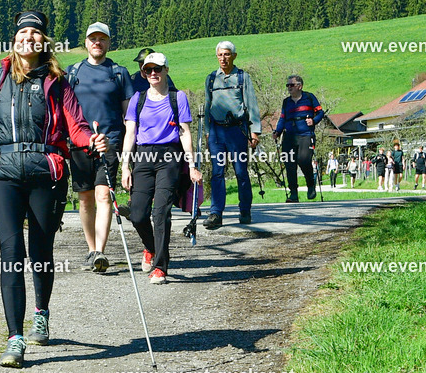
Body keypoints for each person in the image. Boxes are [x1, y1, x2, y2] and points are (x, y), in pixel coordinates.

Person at [0, 10, 104, 368]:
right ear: (14, 40)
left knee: (41, 249)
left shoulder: (57, 82)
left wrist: (91, 140)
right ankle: (15, 338)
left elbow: (75, 128)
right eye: (23, 32)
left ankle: (41, 312)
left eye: (36, 33)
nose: (29, 37)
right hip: (4, 174)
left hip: (46, 172)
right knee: (11, 252)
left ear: (44, 41)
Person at [120, 52, 202, 284]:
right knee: (137, 214)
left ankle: (160, 267)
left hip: (170, 156)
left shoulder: (179, 97)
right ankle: (150, 247)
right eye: (148, 70)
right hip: (143, 157)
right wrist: (125, 166)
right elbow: (130, 133)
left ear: (166, 70)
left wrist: (192, 165)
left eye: (158, 69)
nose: (153, 74)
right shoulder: (138, 98)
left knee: (161, 213)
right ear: (144, 73)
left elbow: (185, 132)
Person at [65, 22, 133, 273]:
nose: (97, 42)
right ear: (86, 43)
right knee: (85, 199)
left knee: (103, 195)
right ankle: (91, 248)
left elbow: (128, 115)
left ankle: (100, 252)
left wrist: (128, 149)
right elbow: (66, 112)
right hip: (79, 144)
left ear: (108, 43)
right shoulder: (73, 73)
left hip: (110, 142)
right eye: (92, 38)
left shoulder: (119, 72)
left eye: (102, 38)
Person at [203, 41, 261, 228]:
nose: (223, 58)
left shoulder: (243, 77)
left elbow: (251, 104)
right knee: (217, 173)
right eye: (220, 55)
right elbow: (207, 106)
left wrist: (255, 132)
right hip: (216, 132)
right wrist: (206, 131)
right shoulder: (211, 78)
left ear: (234, 56)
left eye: (227, 54)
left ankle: (245, 210)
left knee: (241, 172)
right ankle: (215, 213)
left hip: (237, 130)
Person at [273, 74, 324, 202]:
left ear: (299, 86)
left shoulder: (309, 97)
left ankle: (310, 184)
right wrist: (277, 131)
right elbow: (283, 118)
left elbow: (320, 112)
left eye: (291, 85)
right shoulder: (286, 102)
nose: (289, 87)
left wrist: (314, 120)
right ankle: (293, 193)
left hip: (306, 134)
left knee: (304, 160)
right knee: (289, 165)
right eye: (287, 85)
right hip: (289, 136)